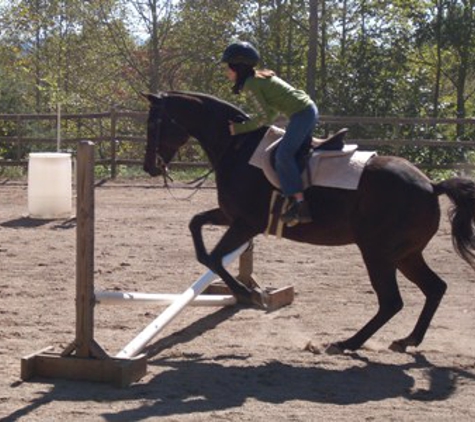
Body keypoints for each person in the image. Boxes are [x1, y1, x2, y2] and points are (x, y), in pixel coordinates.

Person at [221, 41, 318, 227]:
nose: (227, 72)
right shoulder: (257, 79)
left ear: (237, 68)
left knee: (283, 155)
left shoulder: (251, 84)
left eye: (228, 68)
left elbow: (265, 118)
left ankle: (300, 205)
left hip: (302, 114)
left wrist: (239, 129)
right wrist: (250, 121)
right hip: (305, 111)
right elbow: (271, 114)